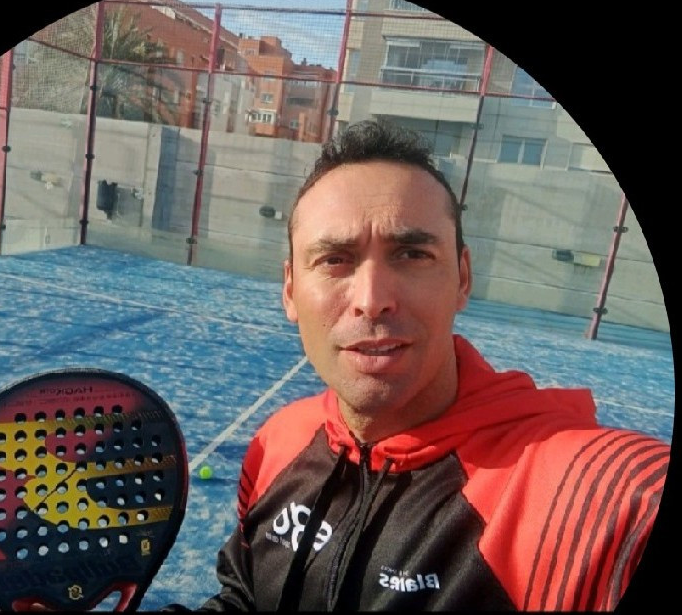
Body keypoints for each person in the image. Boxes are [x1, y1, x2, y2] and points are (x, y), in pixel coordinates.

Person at [169, 120, 669, 611]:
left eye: (411, 254)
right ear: (290, 290)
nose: (372, 300)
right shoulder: (277, 442)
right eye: (334, 259)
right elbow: (246, 596)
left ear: (463, 278)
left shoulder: (582, 496)